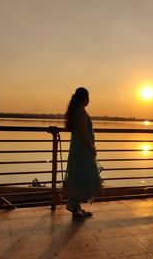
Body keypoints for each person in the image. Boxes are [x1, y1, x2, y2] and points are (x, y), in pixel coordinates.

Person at [64, 87, 101, 218]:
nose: (89, 100)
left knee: (79, 177)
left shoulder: (77, 111)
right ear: (85, 98)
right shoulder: (81, 112)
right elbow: (84, 134)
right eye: (88, 97)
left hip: (78, 149)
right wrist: (92, 148)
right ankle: (73, 204)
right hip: (83, 149)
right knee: (92, 179)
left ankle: (76, 208)